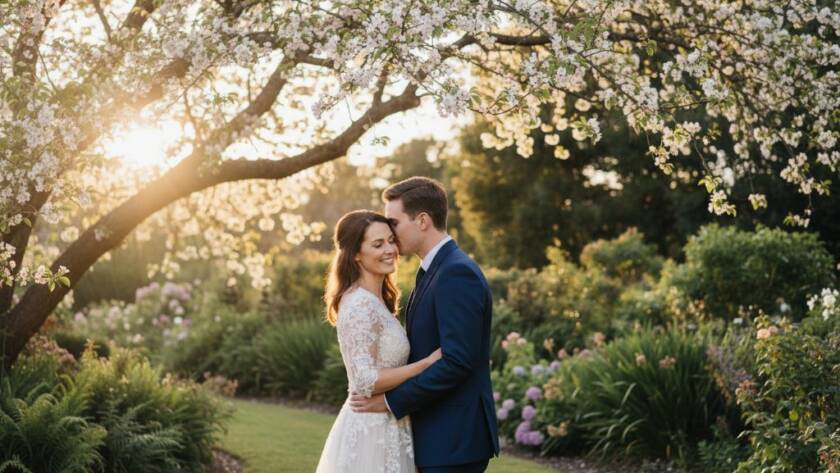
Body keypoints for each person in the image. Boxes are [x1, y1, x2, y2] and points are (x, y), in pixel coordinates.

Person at [350, 177, 500, 473]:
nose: (390, 232)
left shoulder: (456, 273)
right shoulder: (432, 270)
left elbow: (457, 361)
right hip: (437, 435)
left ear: (422, 221)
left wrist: (392, 402)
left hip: (454, 439)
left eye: (394, 222)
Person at [315, 210, 442, 473]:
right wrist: (425, 365)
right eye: (377, 244)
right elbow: (364, 380)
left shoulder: (376, 301)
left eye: (390, 241)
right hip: (370, 431)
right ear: (356, 254)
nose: (390, 249)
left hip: (388, 423)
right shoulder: (360, 304)